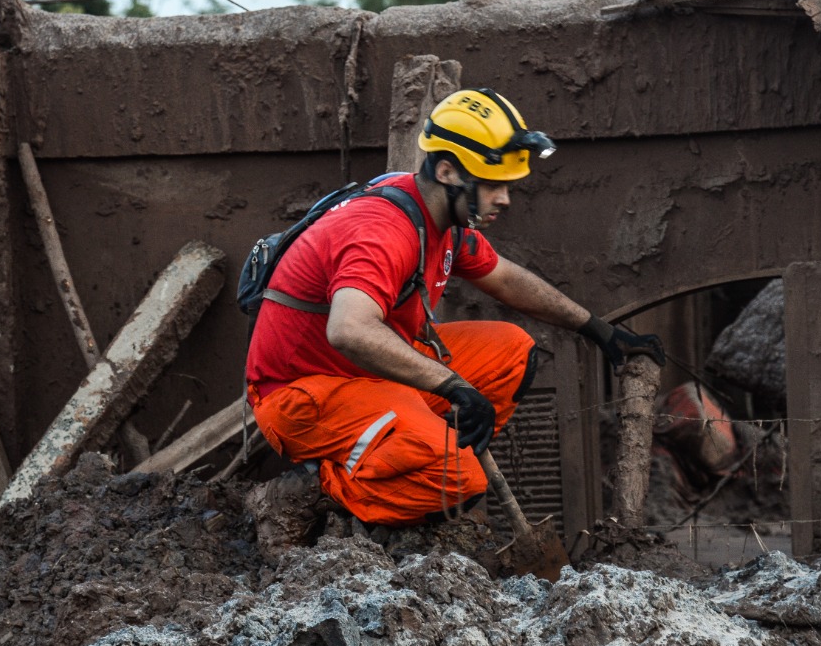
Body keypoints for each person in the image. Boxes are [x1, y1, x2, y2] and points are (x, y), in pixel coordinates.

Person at [244, 87, 663, 558]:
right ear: (447, 171)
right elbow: (350, 330)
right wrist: (453, 386)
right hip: (308, 391)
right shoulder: (382, 230)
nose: (504, 199)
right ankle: (320, 488)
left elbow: (505, 278)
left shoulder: (443, 217)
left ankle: (420, 465)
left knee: (512, 352)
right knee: (461, 477)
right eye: (492, 183)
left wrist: (598, 329)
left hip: (371, 372)